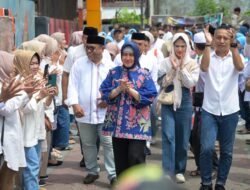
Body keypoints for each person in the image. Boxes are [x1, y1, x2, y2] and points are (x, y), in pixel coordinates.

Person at [100, 42, 157, 177]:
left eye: (131, 55)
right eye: (125, 54)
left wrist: (129, 90)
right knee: (121, 162)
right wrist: (119, 89)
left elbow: (150, 96)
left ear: (136, 56)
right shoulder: (114, 72)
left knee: (136, 158)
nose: (127, 58)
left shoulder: (144, 74)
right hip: (118, 127)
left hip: (137, 126)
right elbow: (104, 93)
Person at [199, 24, 244, 190]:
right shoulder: (207, 55)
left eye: (226, 37)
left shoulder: (235, 56)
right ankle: (205, 183)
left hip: (230, 111)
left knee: (227, 152)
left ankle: (220, 183)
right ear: (214, 38)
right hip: (209, 110)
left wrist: (233, 47)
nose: (222, 41)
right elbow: (203, 68)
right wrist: (208, 45)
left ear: (230, 39)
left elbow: (240, 67)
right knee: (207, 148)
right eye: (219, 37)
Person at [67, 35, 116, 185]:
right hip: (84, 112)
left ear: (102, 49)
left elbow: (116, 88)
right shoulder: (79, 64)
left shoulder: (110, 67)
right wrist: (74, 104)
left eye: (92, 48)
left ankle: (113, 175)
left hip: (106, 113)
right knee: (88, 144)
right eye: (87, 47)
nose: (88, 50)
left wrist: (108, 100)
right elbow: (72, 85)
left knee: (108, 143)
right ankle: (92, 171)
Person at [158, 33, 199, 183]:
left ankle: (180, 170)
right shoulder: (164, 62)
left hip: (185, 101)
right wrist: (173, 70)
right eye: (177, 46)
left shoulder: (193, 63)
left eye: (183, 46)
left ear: (187, 47)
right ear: (172, 46)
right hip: (168, 101)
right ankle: (167, 170)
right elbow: (162, 83)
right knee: (168, 136)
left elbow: (190, 84)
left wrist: (181, 69)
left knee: (182, 138)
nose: (180, 49)